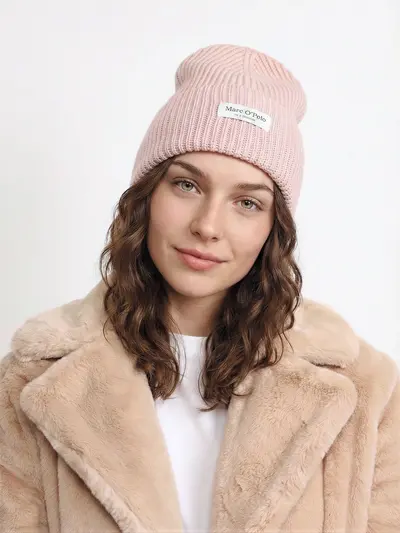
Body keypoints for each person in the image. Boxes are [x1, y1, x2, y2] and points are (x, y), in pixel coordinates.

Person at [0, 44, 399, 533]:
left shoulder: (366, 390)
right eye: (187, 185)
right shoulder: (32, 379)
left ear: (273, 228)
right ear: (146, 196)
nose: (208, 226)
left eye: (247, 203)